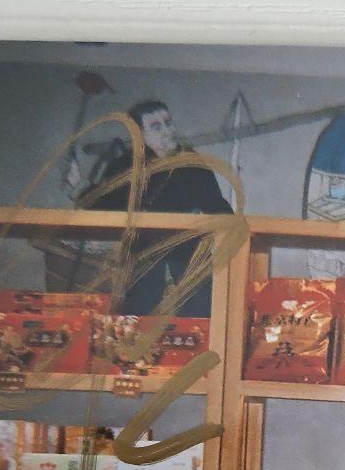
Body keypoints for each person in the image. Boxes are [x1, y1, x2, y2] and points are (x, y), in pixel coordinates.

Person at [70, 100, 234, 317]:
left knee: (199, 321)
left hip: (188, 258)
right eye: (156, 127)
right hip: (144, 260)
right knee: (140, 321)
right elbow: (96, 205)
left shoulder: (192, 164)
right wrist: (78, 186)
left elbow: (217, 206)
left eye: (168, 123)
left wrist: (231, 225)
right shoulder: (125, 166)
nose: (168, 131)